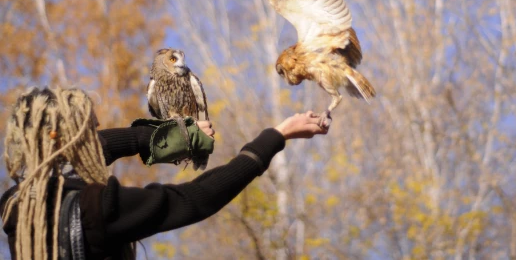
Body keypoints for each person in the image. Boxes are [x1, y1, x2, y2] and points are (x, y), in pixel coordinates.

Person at [0, 87, 328, 260]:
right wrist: (275, 136)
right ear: (72, 138)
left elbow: (85, 149)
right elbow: (195, 199)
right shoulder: (93, 209)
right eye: (90, 128)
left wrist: (165, 137)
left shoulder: (17, 205)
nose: (97, 133)